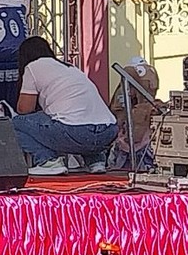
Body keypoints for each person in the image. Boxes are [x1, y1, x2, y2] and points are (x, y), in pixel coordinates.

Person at [12, 37, 120, 175]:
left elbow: (24, 109)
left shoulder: (32, 67)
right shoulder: (70, 67)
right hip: (108, 131)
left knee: (15, 124)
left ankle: (48, 161)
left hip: (75, 132)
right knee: (79, 117)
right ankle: (96, 160)